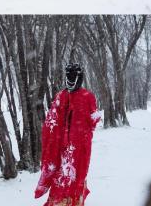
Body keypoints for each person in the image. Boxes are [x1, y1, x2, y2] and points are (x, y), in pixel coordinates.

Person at [35, 63, 101, 206]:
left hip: (61, 147)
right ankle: (72, 201)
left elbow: (49, 125)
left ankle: (62, 201)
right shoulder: (87, 96)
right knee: (74, 174)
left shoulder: (60, 96)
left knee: (63, 174)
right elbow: (94, 120)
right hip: (78, 146)